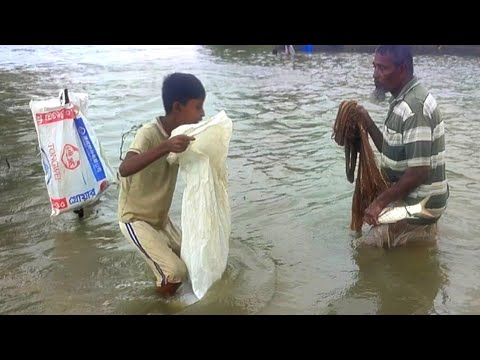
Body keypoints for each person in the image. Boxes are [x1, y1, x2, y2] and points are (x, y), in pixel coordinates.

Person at [117, 72, 205, 297]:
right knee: (175, 272)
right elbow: (125, 168)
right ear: (178, 107)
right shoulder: (149, 133)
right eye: (197, 107)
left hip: (161, 220)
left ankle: (162, 280)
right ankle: (159, 305)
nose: (202, 114)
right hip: (136, 219)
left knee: (193, 257)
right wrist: (165, 147)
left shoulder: (183, 135)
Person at [355, 45, 449, 248]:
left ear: (402, 69)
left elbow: (419, 172)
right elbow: (392, 153)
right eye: (374, 67)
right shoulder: (401, 101)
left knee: (363, 251)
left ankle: (416, 231)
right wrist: (367, 122)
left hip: (421, 204)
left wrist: (379, 202)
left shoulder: (414, 108)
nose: (375, 74)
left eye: (382, 68)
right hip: (416, 198)